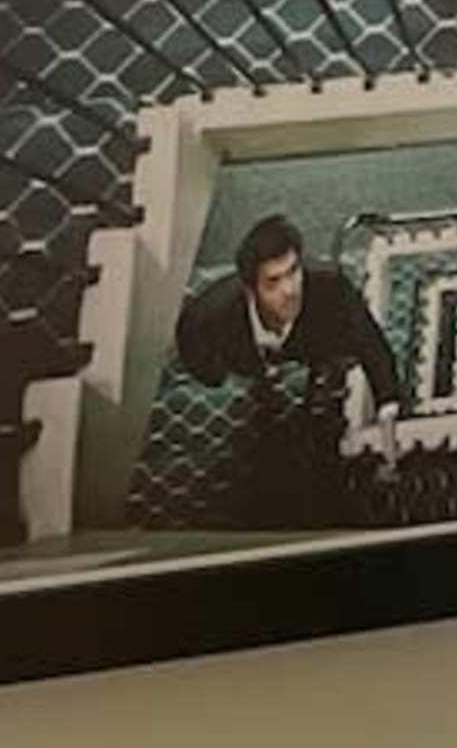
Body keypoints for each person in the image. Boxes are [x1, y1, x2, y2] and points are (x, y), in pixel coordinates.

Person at [169, 213, 406, 527]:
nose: (290, 289)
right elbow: (193, 350)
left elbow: (371, 344)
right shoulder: (208, 319)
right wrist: (217, 379)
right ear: (250, 289)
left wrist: (388, 409)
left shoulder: (331, 288)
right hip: (247, 374)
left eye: (293, 272)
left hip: (308, 351)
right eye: (273, 281)